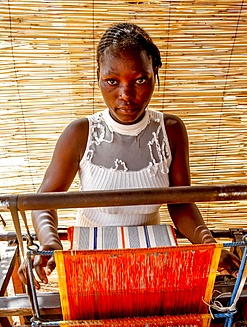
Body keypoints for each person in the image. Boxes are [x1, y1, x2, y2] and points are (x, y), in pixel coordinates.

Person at [18, 22, 240, 289]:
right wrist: (50, 244)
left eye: (140, 80)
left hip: (150, 259)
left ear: (154, 73)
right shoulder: (80, 134)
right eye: (112, 81)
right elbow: (44, 201)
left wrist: (208, 244)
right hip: (91, 261)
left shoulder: (170, 131)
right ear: (98, 76)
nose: (126, 95)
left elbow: (181, 202)